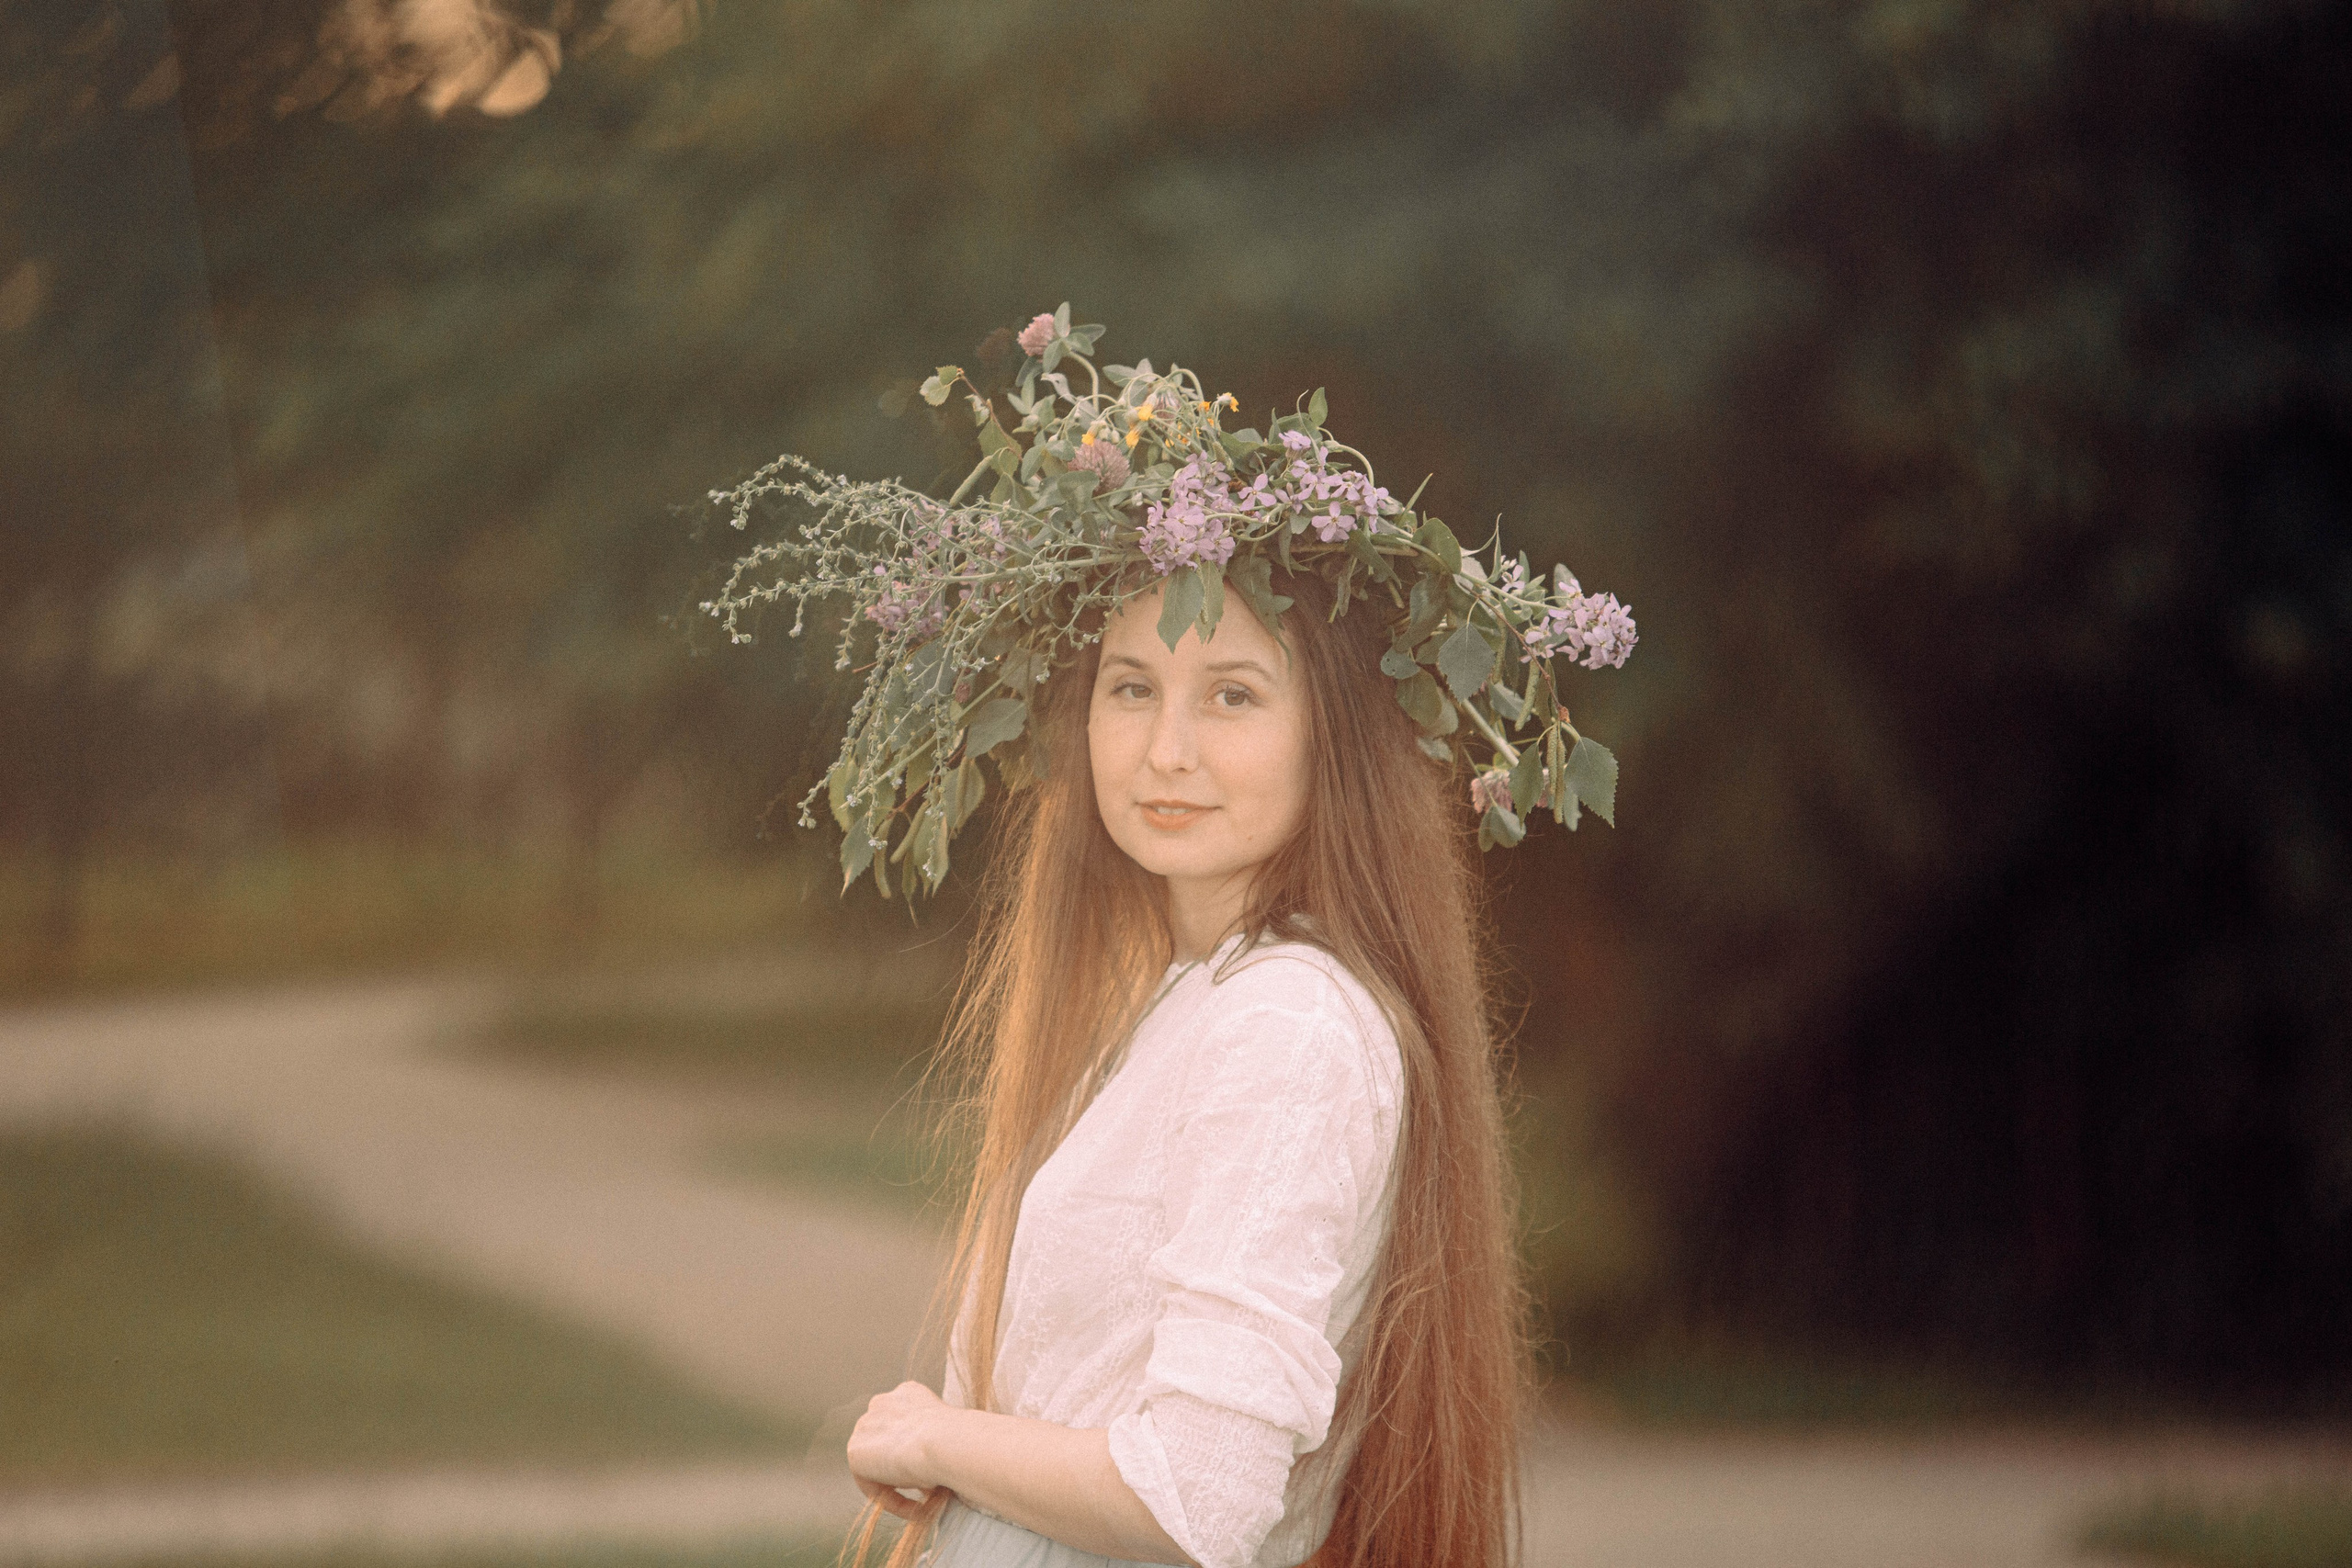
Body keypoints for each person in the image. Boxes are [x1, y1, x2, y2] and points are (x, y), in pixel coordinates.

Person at [699, 308, 1634, 1568]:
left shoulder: (1289, 1024)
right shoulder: (1193, 997)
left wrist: (933, 1440)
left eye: (1232, 696)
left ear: (1335, 740)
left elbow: (1196, 1491)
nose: (1166, 751)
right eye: (1130, 686)